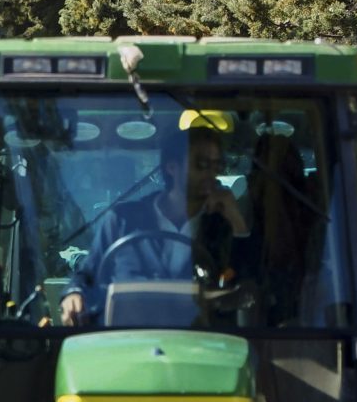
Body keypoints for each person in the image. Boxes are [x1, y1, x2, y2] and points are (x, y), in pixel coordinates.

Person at [59, 116, 247, 325]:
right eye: (201, 164)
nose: (211, 174)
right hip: (126, 341)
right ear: (172, 168)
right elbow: (86, 276)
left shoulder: (220, 226)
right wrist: (73, 295)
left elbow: (247, 289)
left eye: (217, 165)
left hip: (200, 343)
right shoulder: (122, 221)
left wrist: (236, 220)